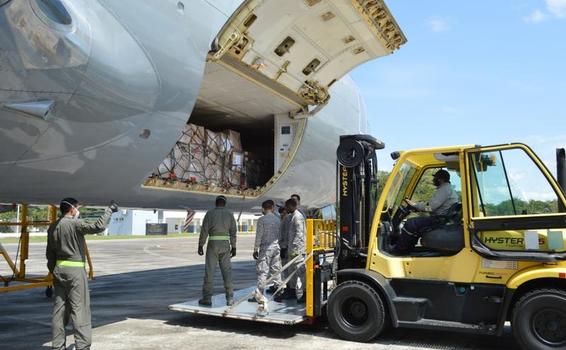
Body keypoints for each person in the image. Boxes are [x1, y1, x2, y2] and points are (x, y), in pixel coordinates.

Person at [46, 198, 118, 350]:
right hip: (75, 272)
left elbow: (50, 254)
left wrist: (55, 270)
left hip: (59, 271)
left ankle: (57, 346)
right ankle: (83, 346)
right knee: (80, 310)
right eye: (77, 208)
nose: (78, 211)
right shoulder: (75, 224)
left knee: (59, 311)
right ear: (72, 209)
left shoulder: (53, 227)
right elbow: (99, 226)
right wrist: (109, 210)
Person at [393, 169, 459, 255]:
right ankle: (408, 248)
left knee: (410, 224)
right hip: (442, 218)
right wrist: (418, 206)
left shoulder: (444, 190)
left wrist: (415, 205)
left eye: (435, 178)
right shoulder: (447, 189)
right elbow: (431, 205)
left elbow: (430, 207)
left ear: (440, 179)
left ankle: (399, 251)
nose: (433, 180)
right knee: (415, 225)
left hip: (438, 220)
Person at [198, 195, 237, 306]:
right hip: (225, 245)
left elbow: (204, 230)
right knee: (227, 271)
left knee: (209, 271)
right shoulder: (230, 214)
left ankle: (207, 298)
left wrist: (201, 245)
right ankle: (230, 298)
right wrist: (233, 246)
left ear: (216, 203)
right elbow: (233, 231)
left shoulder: (210, 213)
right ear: (225, 204)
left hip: (212, 244)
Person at [250, 200, 283, 303]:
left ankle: (259, 296)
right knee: (276, 271)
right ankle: (279, 293)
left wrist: (255, 249)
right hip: (276, 248)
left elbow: (259, 235)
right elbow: (280, 235)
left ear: (263, 209)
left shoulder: (262, 220)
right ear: (272, 208)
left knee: (262, 272)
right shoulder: (278, 220)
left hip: (265, 248)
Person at [278, 198, 306, 303]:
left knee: (301, 272)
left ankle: (305, 293)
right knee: (292, 272)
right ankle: (292, 291)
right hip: (292, 250)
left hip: (297, 251)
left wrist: (294, 249)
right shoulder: (292, 217)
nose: (285, 208)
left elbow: (299, 234)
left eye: (286, 206)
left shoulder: (297, 217)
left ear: (291, 206)